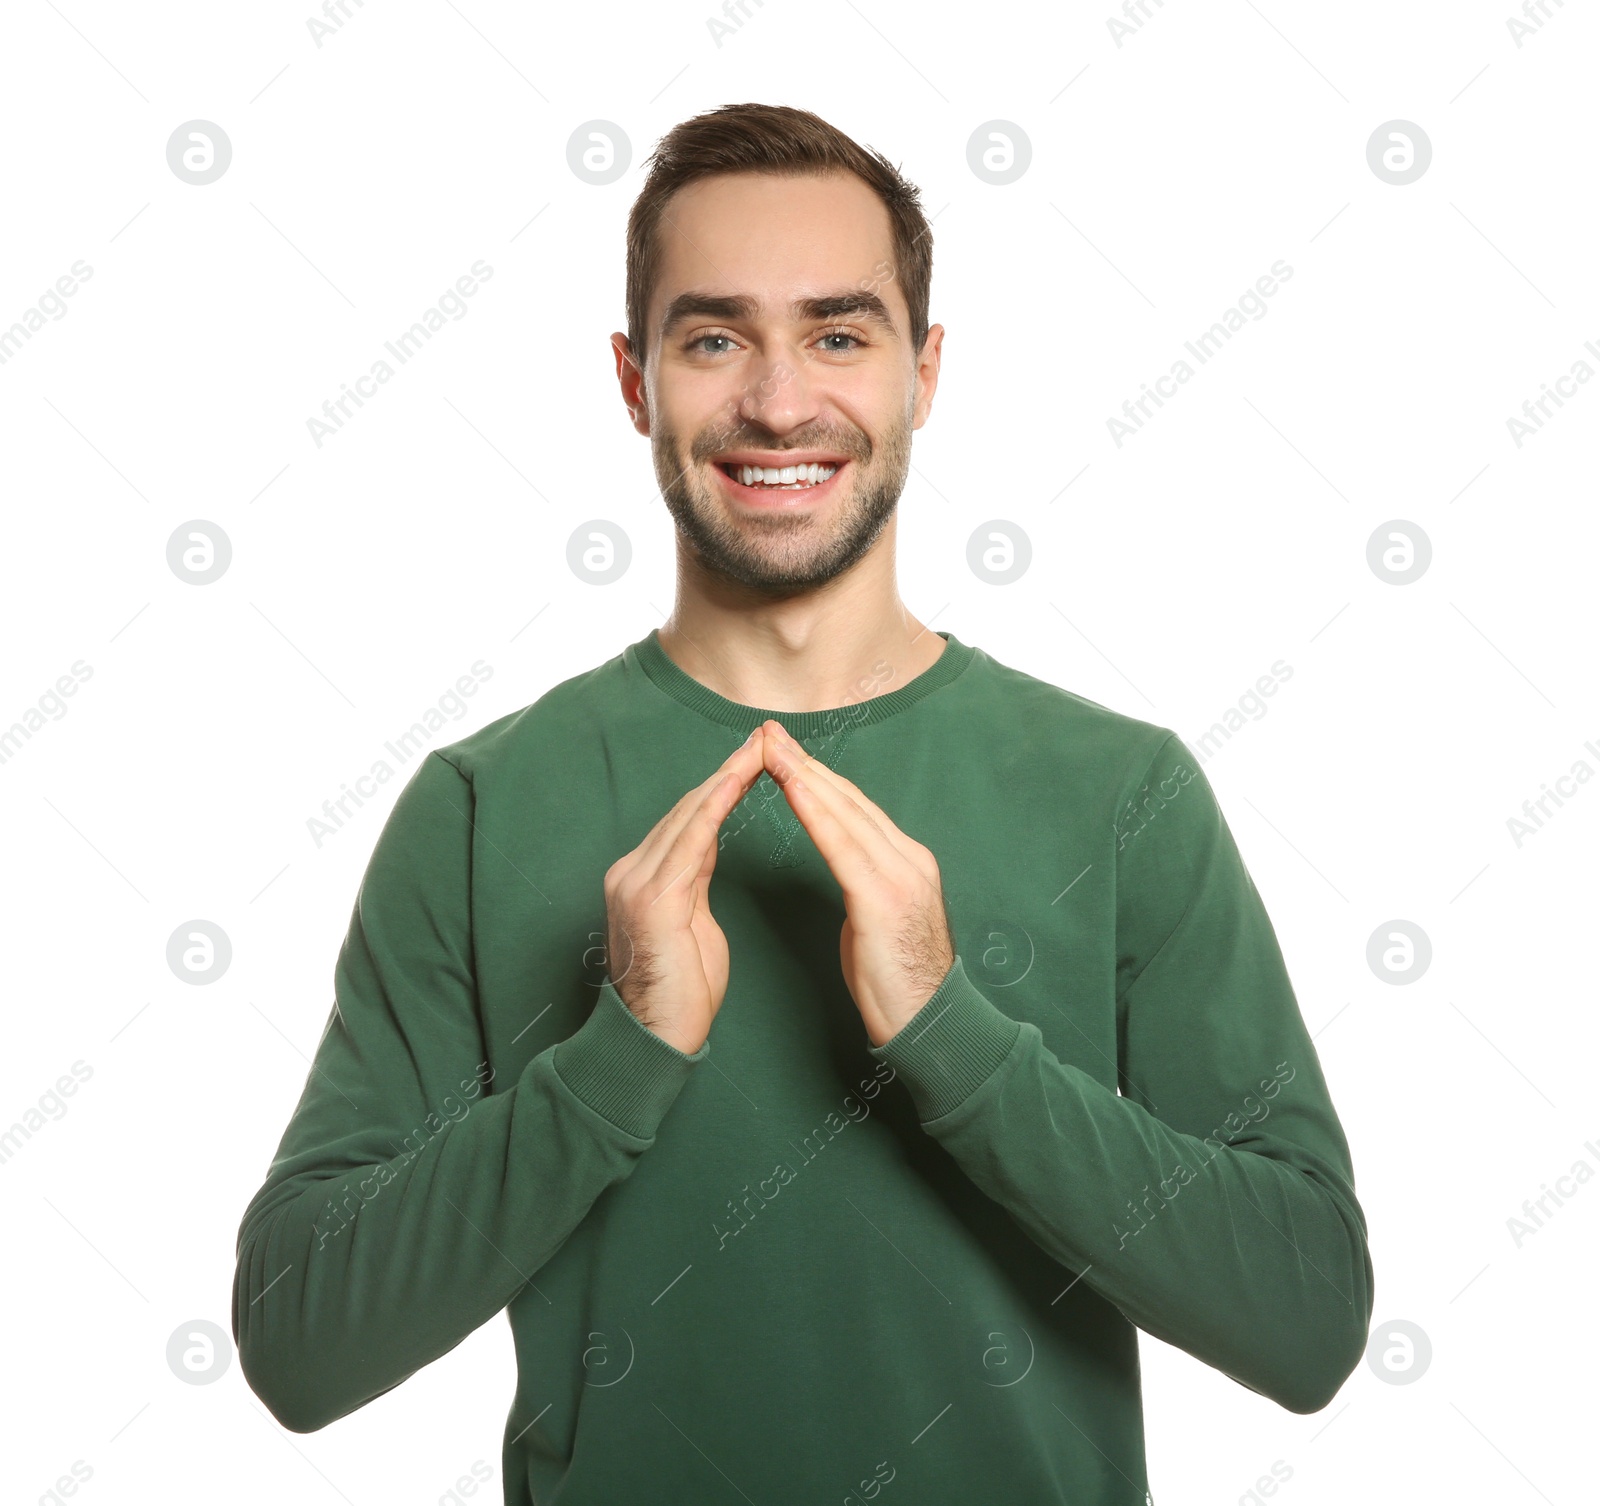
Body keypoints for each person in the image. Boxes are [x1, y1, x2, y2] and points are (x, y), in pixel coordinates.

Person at [233, 101, 1373, 1504]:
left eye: (840, 333)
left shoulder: (1123, 794)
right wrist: (617, 1057)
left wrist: (954, 1036)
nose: (780, 401)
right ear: (634, 378)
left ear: (923, 371)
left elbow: (1310, 1319)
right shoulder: (478, 807)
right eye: (715, 338)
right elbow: (299, 1342)